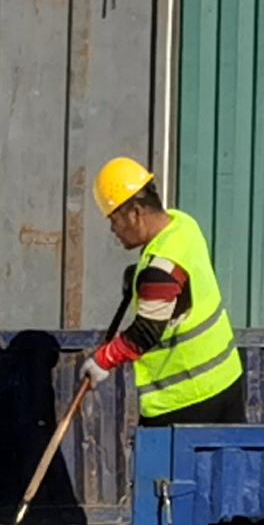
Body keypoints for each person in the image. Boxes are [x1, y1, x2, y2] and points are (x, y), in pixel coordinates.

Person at [86, 154, 245, 426]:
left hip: (184, 401)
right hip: (226, 379)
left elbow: (146, 331)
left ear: (135, 212)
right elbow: (179, 285)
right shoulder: (183, 224)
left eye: (115, 220)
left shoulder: (159, 268)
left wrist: (103, 361)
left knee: (163, 471)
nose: (114, 230)